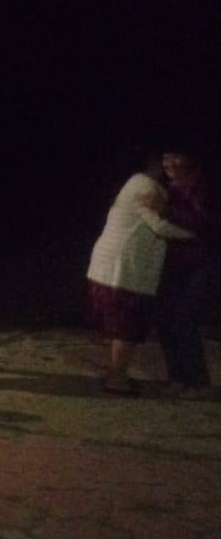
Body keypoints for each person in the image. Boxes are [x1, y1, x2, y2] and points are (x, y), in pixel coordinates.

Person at [86, 153, 195, 396]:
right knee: (127, 325)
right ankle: (117, 380)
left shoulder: (133, 182)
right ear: (153, 163)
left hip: (111, 263)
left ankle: (115, 374)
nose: (167, 165)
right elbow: (160, 225)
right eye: (164, 159)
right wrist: (197, 235)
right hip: (126, 267)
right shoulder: (147, 185)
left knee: (122, 324)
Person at [143, 143, 221, 398]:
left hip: (202, 262)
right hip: (175, 262)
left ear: (191, 158)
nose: (169, 163)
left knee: (184, 319)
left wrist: (167, 211)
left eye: (176, 156)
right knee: (164, 318)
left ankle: (197, 381)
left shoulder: (204, 186)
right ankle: (177, 376)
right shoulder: (172, 186)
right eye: (166, 157)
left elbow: (207, 224)